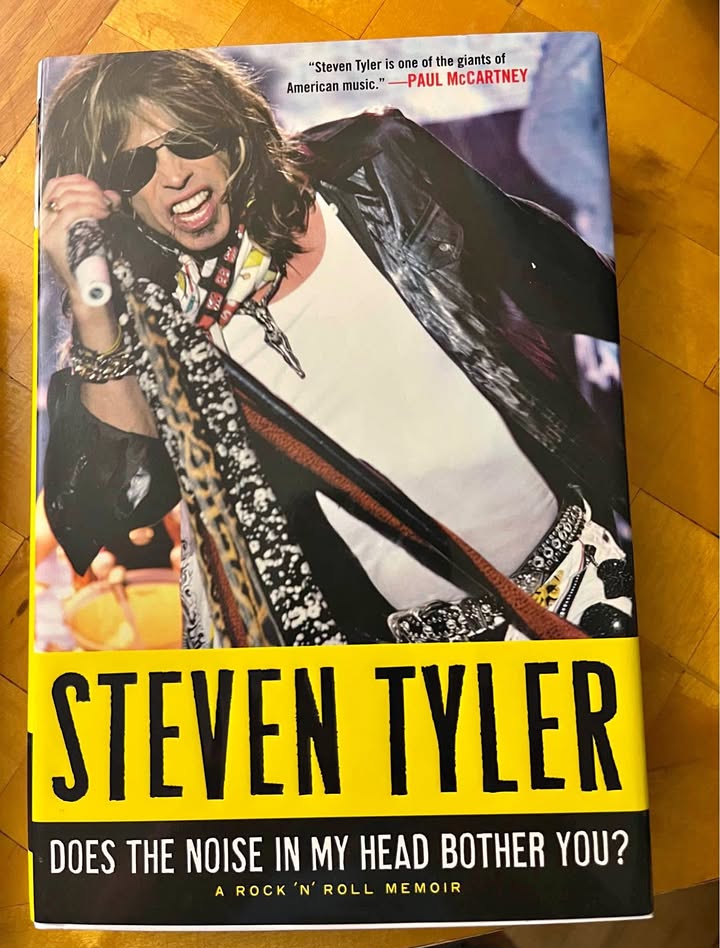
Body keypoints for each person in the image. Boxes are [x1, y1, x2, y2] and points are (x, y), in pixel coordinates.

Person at [40, 49, 634, 649]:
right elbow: (113, 508)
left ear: (229, 130)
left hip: (583, 580)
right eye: (135, 164)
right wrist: (91, 303)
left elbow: (561, 276)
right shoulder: (148, 324)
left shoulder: (372, 167)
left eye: (190, 138)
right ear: (110, 195)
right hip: (407, 660)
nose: (175, 175)